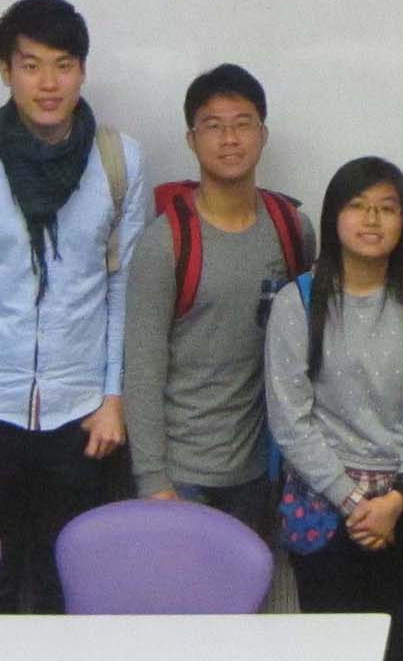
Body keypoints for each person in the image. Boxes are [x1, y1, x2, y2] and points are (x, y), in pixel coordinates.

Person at [0, 0, 149, 613]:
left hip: (83, 419)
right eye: (31, 65)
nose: (49, 83)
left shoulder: (119, 161)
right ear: (5, 71)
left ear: (82, 70)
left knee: (69, 586)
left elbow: (124, 288)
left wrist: (113, 398)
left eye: (64, 64)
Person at [265, 157, 403, 661]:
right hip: (325, 514)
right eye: (358, 206)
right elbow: (290, 420)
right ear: (333, 217)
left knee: (396, 648)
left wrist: (394, 500)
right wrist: (354, 504)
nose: (372, 220)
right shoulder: (298, 301)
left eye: (387, 208)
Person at [125, 63, 314, 530]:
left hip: (261, 469)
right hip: (181, 474)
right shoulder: (166, 241)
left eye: (242, 124)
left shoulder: (293, 229)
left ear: (263, 134)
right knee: (183, 601)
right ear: (192, 140)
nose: (230, 139)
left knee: (247, 598)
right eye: (213, 126)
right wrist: (153, 482)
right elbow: (143, 368)